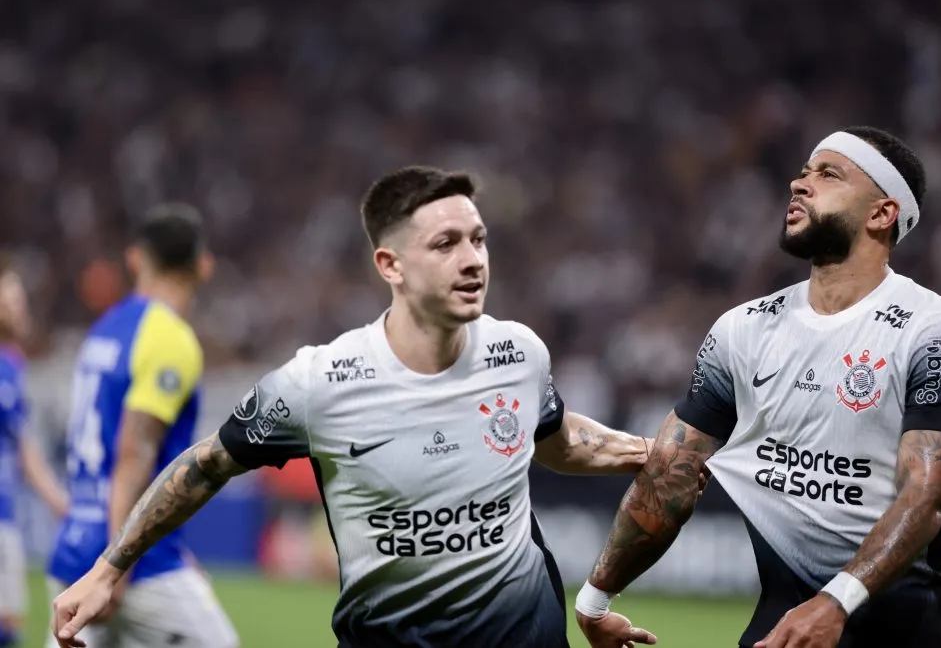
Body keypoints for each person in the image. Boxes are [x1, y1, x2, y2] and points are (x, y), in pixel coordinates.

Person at [51, 167, 657, 648]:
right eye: (445, 244)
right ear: (389, 265)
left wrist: (650, 454)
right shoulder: (319, 383)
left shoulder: (518, 354)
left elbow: (560, 440)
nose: (473, 260)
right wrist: (108, 569)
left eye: (478, 240)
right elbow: (206, 465)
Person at [575, 126, 941, 648]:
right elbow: (670, 475)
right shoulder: (743, 329)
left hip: (913, 631)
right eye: (803, 171)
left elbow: (925, 499)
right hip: (783, 628)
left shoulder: (936, 331)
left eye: (828, 174)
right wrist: (594, 599)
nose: (799, 183)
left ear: (882, 213)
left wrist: (836, 602)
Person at [45, 204, 238, 648]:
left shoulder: (105, 330)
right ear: (204, 265)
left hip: (77, 543)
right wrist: (116, 566)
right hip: (131, 560)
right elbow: (134, 453)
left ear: (135, 258)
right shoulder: (168, 336)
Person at [0, 260, 69, 647]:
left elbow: (23, 444)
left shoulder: (11, 364)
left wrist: (56, 499)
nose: (19, 306)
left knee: (8, 619)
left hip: (5, 513)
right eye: (10, 298)